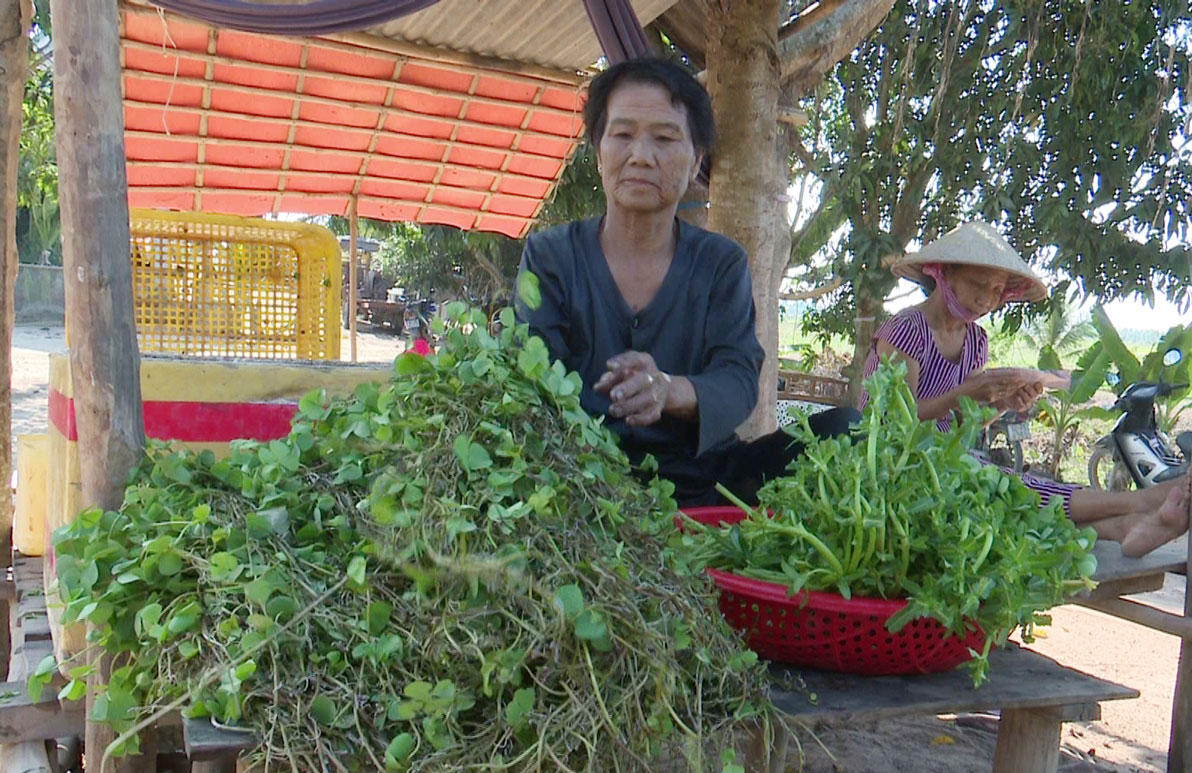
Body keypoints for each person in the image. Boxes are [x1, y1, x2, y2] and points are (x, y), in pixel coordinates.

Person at [515, 58, 859, 507]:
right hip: (579, 480)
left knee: (846, 431)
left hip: (708, 483)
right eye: (622, 135)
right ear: (598, 152)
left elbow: (738, 381)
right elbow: (529, 381)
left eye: (664, 137)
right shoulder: (551, 256)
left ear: (696, 159)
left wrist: (669, 389)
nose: (641, 155)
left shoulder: (721, 264)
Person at [860, 221, 1189, 556]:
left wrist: (1003, 403)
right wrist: (965, 396)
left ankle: (1124, 527)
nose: (987, 299)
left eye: (997, 291)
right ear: (944, 274)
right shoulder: (905, 330)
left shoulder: (975, 340)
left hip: (944, 460)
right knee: (1009, 488)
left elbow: (962, 424)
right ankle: (1141, 501)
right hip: (890, 464)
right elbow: (894, 423)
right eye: (978, 284)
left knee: (1007, 501)